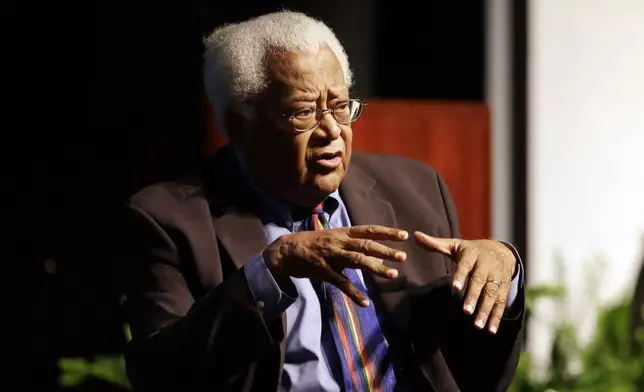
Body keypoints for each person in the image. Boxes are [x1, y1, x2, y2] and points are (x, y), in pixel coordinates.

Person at [119, 11, 525, 392]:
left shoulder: (416, 187)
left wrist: (503, 277)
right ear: (240, 125)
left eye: (340, 106)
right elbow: (160, 375)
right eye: (303, 113)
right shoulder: (169, 219)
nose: (332, 130)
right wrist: (271, 270)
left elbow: (473, 375)